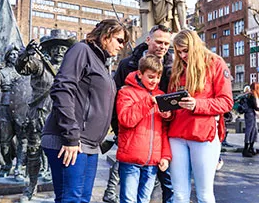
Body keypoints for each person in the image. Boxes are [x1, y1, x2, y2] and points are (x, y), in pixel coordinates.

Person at [41, 19, 129, 202]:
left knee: (82, 199)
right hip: (69, 140)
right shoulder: (82, 50)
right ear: (105, 36)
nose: (122, 46)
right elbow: (62, 88)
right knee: (71, 198)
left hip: (89, 144)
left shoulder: (102, 63)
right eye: (119, 40)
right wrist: (71, 136)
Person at [103, 24, 173, 203]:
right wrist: (119, 131)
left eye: (166, 43)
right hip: (132, 137)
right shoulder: (129, 64)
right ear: (148, 40)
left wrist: (169, 115)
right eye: (158, 41)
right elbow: (114, 98)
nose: (162, 47)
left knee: (165, 187)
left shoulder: (172, 66)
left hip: (157, 140)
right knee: (130, 192)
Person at [167, 29, 233, 203]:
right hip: (177, 134)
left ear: (195, 46)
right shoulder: (178, 67)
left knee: (204, 194)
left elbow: (226, 102)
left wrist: (198, 104)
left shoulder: (216, 63)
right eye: (178, 51)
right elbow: (171, 101)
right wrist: (166, 111)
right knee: (179, 194)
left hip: (203, 135)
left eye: (185, 51)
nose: (182, 55)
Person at [15, 29, 76, 200]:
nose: (59, 52)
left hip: (61, 118)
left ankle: (60, 191)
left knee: (61, 156)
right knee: (33, 153)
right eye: (55, 48)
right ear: (49, 49)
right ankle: (30, 188)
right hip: (38, 116)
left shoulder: (69, 70)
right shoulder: (39, 64)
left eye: (63, 49)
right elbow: (22, 67)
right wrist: (25, 54)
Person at [116, 54, 172, 203]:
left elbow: (164, 131)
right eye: (151, 77)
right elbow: (126, 120)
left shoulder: (161, 96)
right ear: (140, 74)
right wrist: (148, 101)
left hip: (152, 161)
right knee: (128, 200)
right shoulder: (126, 92)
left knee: (145, 200)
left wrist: (165, 156)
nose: (155, 81)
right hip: (131, 159)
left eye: (158, 77)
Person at [0, 44, 30, 181]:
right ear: (7, 56)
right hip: (4, 108)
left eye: (16, 54)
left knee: (23, 139)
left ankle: (19, 169)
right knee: (4, 141)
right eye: (11, 54)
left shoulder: (24, 73)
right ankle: (7, 165)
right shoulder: (2, 72)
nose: (14, 56)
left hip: (21, 109)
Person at [242, 82, 259, 157]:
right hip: (250, 114)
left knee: (253, 130)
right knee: (250, 130)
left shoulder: (250, 95)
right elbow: (255, 106)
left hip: (250, 114)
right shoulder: (252, 95)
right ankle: (246, 149)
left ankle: (250, 148)